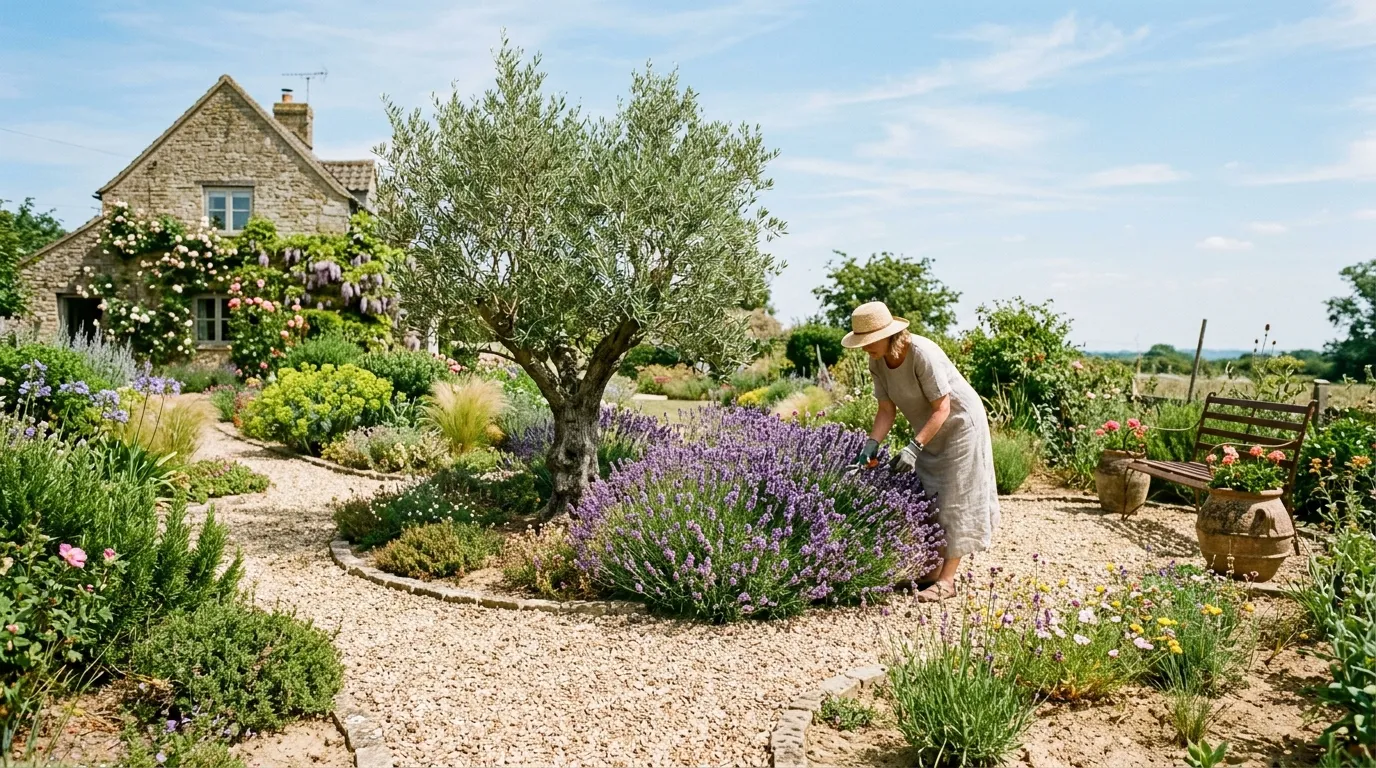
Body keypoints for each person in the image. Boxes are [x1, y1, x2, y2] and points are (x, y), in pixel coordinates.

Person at [843, 301, 999, 602]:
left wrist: (915, 446)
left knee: (955, 499)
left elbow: (944, 406)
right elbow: (886, 410)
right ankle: (931, 571)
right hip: (928, 430)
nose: (865, 349)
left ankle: (948, 581)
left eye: (869, 342)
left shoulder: (921, 354)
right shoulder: (877, 361)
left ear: (890, 335)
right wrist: (869, 447)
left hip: (959, 425)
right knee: (930, 498)